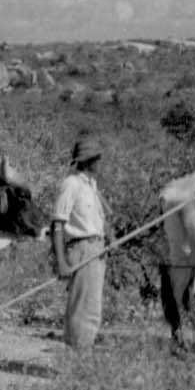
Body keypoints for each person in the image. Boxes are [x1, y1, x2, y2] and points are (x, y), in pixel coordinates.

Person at [51, 132, 108, 350]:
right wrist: (61, 262)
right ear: (87, 161)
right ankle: (78, 354)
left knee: (92, 307)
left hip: (96, 249)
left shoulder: (91, 186)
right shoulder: (71, 184)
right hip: (82, 249)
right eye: (96, 158)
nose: (100, 162)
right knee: (82, 306)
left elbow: (96, 219)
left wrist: (108, 237)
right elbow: (58, 224)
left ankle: (82, 353)